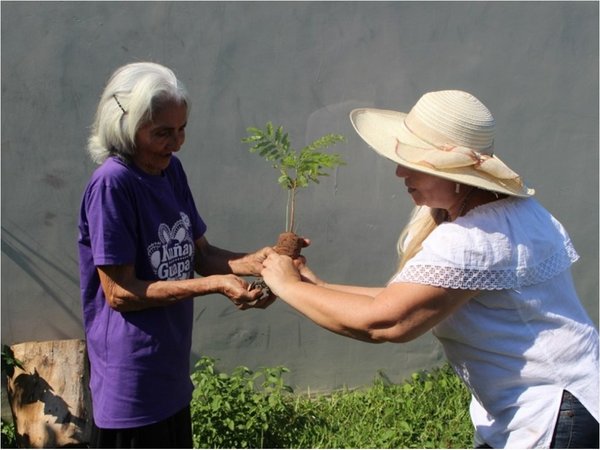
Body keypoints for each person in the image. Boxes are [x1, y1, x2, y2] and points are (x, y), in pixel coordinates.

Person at [260, 90, 599, 448]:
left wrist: (287, 286)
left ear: (456, 172)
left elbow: (385, 322)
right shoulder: (515, 212)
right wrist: (320, 287)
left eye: (414, 162)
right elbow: (411, 298)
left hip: (551, 411)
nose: (399, 171)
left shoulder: (472, 239)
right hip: (558, 398)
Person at [78, 62, 275, 448]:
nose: (178, 142)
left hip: (168, 369)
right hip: (131, 380)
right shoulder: (113, 185)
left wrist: (261, 262)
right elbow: (119, 293)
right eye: (163, 133)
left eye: (182, 129)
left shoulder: (171, 171)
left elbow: (201, 255)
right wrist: (216, 285)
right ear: (125, 127)